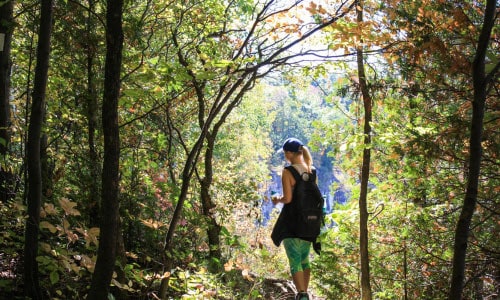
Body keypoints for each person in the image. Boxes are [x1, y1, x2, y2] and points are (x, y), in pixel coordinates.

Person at [271, 137, 318, 300]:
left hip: (293, 223)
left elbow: (288, 199)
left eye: (285, 153)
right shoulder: (312, 171)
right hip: (310, 223)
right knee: (305, 259)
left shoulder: (288, 172)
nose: (285, 156)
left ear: (290, 154)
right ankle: (305, 292)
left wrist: (277, 199)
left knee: (294, 260)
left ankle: (302, 295)